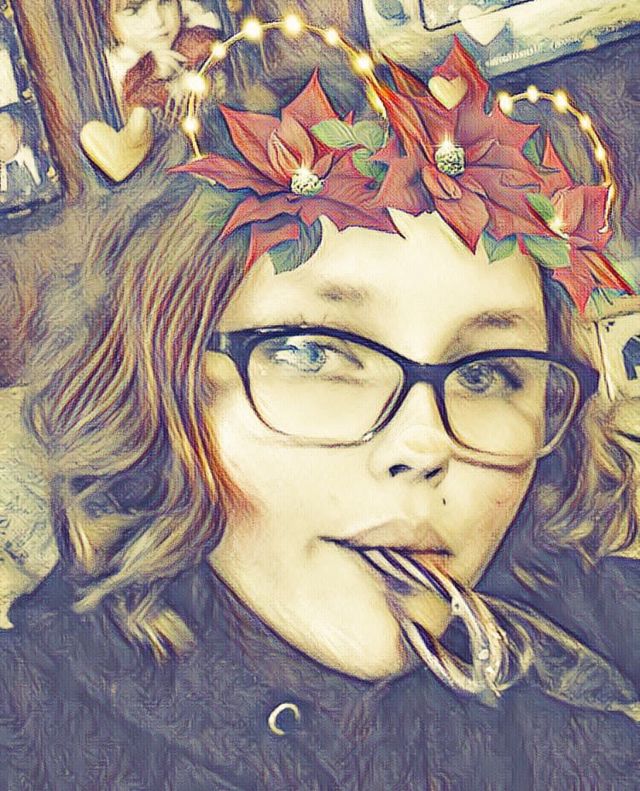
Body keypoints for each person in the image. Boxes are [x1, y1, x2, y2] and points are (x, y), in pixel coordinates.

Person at [1, 39, 639, 790]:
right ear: (163, 383)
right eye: (313, 353)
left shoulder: (586, 620)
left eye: (488, 372)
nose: (423, 445)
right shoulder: (33, 730)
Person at [102, 0, 221, 118]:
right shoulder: (112, 76)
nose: (158, 21)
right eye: (134, 10)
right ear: (109, 21)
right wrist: (151, 74)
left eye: (165, 2)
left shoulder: (198, 41)